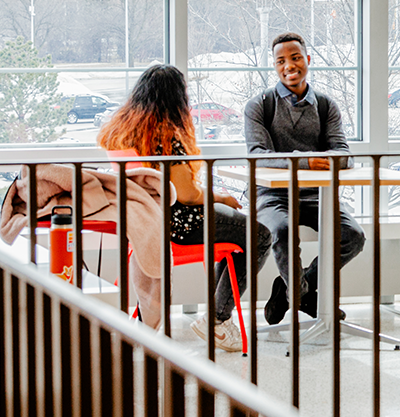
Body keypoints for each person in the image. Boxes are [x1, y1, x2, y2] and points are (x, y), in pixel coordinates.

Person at [98, 64, 272, 352]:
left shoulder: (123, 131)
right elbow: (188, 195)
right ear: (175, 98)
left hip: (150, 220)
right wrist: (220, 198)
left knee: (238, 235)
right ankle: (217, 318)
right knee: (260, 236)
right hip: (182, 223)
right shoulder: (167, 136)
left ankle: (217, 311)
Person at [245, 32, 367, 325]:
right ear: (274, 67)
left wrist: (335, 160)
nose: (289, 65)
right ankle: (303, 296)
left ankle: (294, 291)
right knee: (283, 232)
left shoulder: (325, 105)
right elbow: (258, 155)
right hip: (271, 195)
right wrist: (304, 160)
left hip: (317, 194)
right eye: (281, 61)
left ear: (307, 60)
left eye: (295, 57)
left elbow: (343, 152)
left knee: (353, 236)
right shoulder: (259, 105)